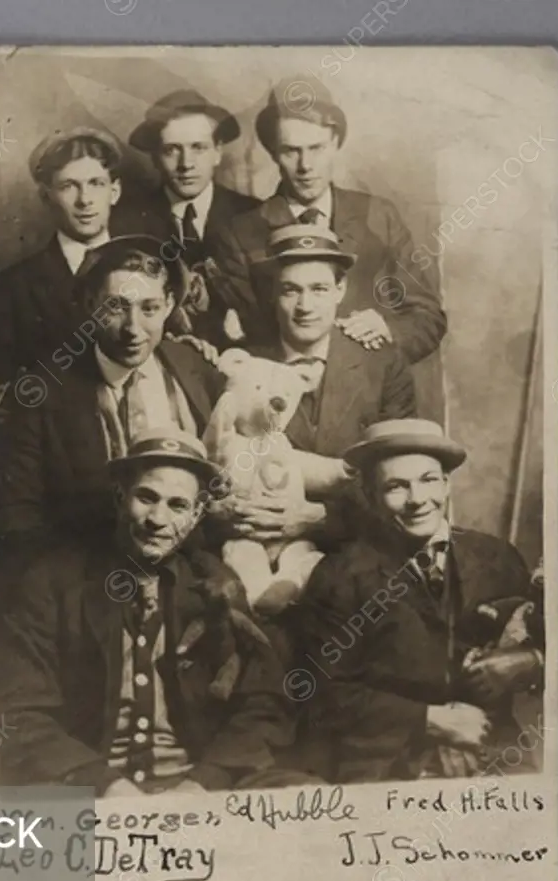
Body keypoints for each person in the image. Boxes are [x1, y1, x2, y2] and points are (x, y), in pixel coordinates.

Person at [0, 429, 297, 796]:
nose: (157, 518)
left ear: (198, 514)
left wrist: (203, 783)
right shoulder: (53, 583)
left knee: (304, 796)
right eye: (146, 497)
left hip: (192, 787)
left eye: (178, 506)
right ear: (120, 498)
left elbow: (262, 704)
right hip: (85, 787)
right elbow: (20, 713)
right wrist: (103, 784)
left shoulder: (216, 584)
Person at [291, 419, 544, 783]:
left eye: (428, 480)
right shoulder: (339, 576)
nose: (417, 500)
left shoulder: (497, 557)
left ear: (446, 483)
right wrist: (429, 721)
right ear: (370, 495)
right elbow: (317, 693)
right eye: (396, 486)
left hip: (493, 751)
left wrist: (533, 662)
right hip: (385, 762)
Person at [0, 234, 223, 570]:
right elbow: (16, 517)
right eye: (115, 307)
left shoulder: (194, 367)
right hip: (86, 577)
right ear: (89, 304)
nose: (133, 329)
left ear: (169, 305)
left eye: (149, 308)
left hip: (188, 572)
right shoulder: (40, 394)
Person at [211, 78, 447, 367]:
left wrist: (388, 329)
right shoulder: (240, 232)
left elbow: (428, 317)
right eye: (291, 150)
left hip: (370, 394)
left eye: (316, 148)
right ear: (273, 151)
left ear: (336, 143)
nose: (305, 166)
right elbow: (240, 338)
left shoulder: (379, 215)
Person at [222, 223, 417, 553]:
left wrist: (322, 518)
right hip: (258, 542)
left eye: (319, 289)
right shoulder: (242, 366)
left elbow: (399, 477)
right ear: (272, 292)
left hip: (359, 545)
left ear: (340, 289)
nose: (305, 306)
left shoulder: (383, 365)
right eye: (290, 290)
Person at [0, 126, 126, 420]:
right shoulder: (11, 288)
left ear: (115, 192)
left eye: (96, 183)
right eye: (68, 186)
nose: (84, 200)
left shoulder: (151, 270)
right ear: (46, 196)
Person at [124, 89, 261, 346]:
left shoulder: (255, 215)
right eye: (172, 150)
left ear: (218, 152)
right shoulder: (126, 224)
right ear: (154, 157)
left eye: (198, 148)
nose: (186, 163)